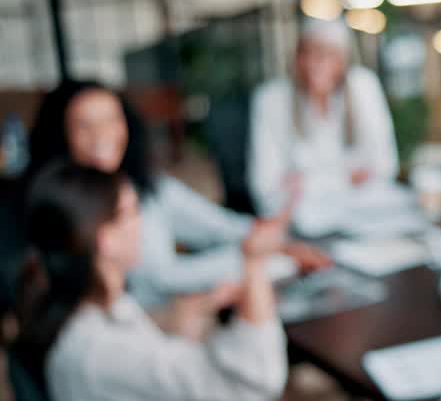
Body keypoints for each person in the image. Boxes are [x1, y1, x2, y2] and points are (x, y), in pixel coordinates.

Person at [14, 161, 441, 401]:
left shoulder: (99, 314)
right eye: (132, 211)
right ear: (105, 239)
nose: (145, 222)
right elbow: (255, 382)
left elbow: (158, 377)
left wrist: (191, 319)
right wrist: (254, 268)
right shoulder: (97, 350)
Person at [25, 80, 330, 309]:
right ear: (62, 134)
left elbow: (216, 225)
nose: (101, 134)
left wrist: (276, 241)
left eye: (110, 119)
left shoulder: (146, 184)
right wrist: (258, 256)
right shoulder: (62, 205)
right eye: (84, 125)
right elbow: (159, 277)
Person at [248, 18, 399, 219]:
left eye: (330, 54)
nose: (317, 64)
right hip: (298, 220)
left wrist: (307, 182)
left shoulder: (363, 86)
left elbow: (385, 167)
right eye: (310, 52)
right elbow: (264, 187)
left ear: (344, 60)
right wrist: (348, 177)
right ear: (297, 57)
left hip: (364, 215)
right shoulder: (272, 99)